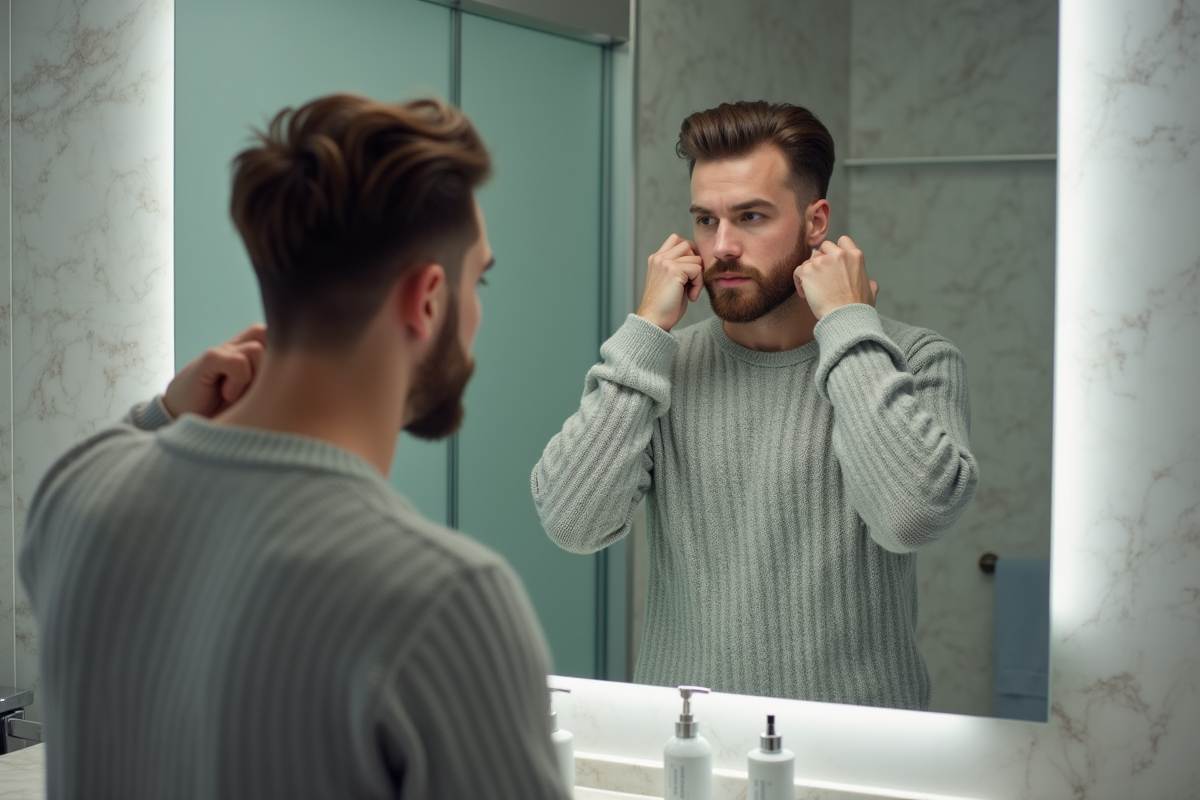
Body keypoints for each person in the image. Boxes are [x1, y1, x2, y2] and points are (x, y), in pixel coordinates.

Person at [20, 94, 569, 799]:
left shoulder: (75, 496)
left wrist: (164, 414)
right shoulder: (445, 599)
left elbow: (112, 466)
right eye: (478, 279)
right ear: (428, 299)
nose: (479, 310)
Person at [533, 100, 979, 710]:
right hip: (688, 743)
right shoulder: (660, 364)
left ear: (815, 221)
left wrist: (849, 327)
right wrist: (645, 329)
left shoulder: (915, 357)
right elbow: (573, 523)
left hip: (859, 750)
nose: (722, 247)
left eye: (751, 217)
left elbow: (911, 517)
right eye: (705, 220)